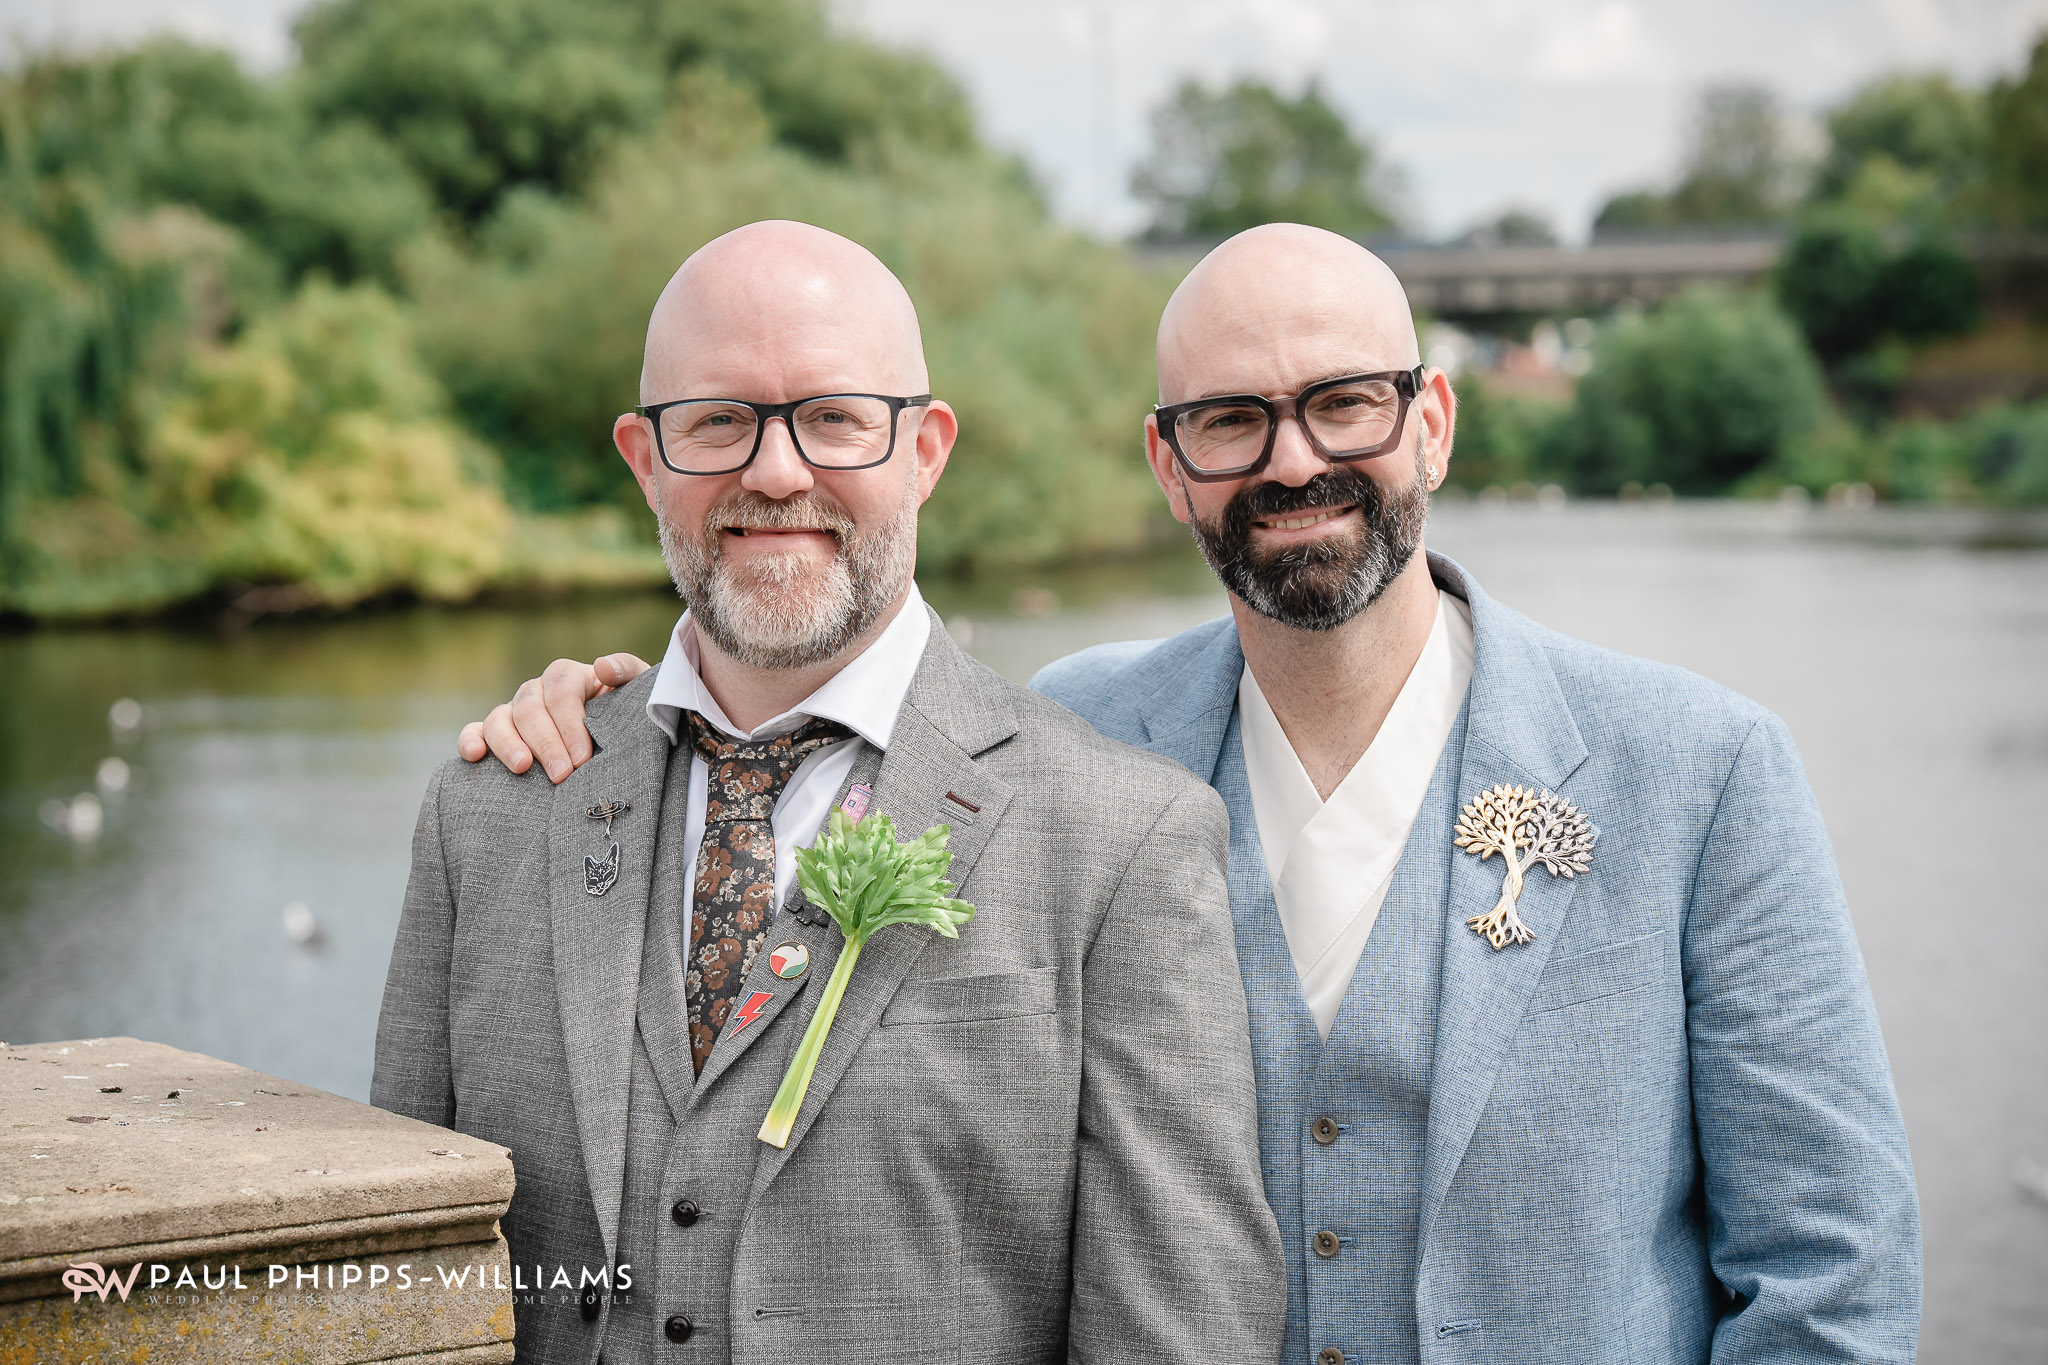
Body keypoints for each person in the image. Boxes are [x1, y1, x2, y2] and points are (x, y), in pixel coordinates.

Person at [462, 223, 1922, 1363]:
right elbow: (793, 730)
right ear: (1168, 464)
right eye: (1229, 420)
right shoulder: (1065, 740)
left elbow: (1832, 1269)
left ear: (1432, 422)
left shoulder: (1700, 770)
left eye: (1344, 403)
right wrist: (612, 721)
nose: (1294, 459)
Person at [373, 220, 1286, 1365]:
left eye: (833, 418)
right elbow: (399, 1269)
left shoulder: (1120, 838)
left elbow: (1180, 1331)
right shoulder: (488, 813)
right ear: (645, 458)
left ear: (925, 451)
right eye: (716, 421)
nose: (773, 471)